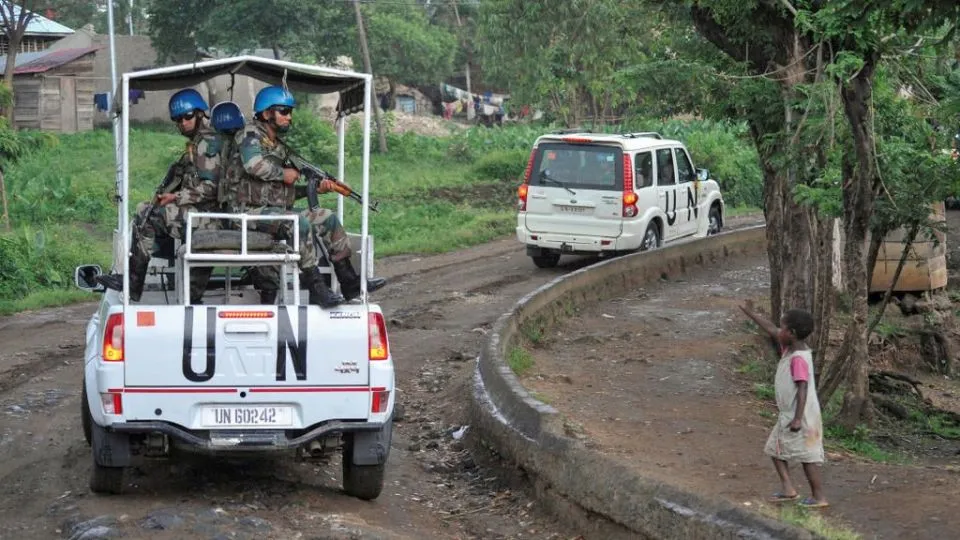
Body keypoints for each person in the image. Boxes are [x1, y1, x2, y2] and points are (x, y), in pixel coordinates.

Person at [220, 85, 386, 308]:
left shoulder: (277, 146)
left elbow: (278, 193)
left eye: (290, 112)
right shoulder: (249, 135)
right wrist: (284, 173)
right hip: (244, 213)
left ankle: (349, 282)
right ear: (267, 113)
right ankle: (316, 289)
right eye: (284, 111)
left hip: (267, 212)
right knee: (299, 222)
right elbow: (253, 165)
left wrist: (315, 188)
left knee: (327, 217)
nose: (289, 117)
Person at [98, 88, 222, 303]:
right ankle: (140, 279)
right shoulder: (198, 142)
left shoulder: (207, 143)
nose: (183, 123)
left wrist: (176, 197)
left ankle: (133, 284)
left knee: (150, 216)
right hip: (201, 212)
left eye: (188, 116)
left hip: (211, 216)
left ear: (200, 113)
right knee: (146, 210)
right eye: (178, 119)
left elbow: (211, 188)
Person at [739, 300, 828, 508]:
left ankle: (818, 497)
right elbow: (771, 329)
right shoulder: (792, 349)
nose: (779, 331)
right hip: (797, 415)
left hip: (799, 416)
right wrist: (750, 313)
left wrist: (797, 419)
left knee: (805, 457)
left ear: (792, 333)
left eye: (783, 328)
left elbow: (802, 388)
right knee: (779, 450)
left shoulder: (797, 358)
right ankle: (790, 489)